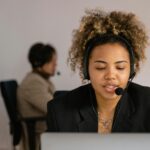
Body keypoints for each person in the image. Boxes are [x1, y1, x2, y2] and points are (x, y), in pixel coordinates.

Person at [47, 8, 150, 133]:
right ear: (86, 69)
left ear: (131, 70)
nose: (111, 75)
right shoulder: (60, 111)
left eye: (120, 67)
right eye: (100, 67)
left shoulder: (147, 104)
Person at [17, 42, 57, 149]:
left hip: (45, 129)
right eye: (51, 61)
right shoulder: (33, 82)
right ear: (39, 63)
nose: (55, 64)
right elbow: (52, 107)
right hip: (40, 135)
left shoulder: (40, 80)